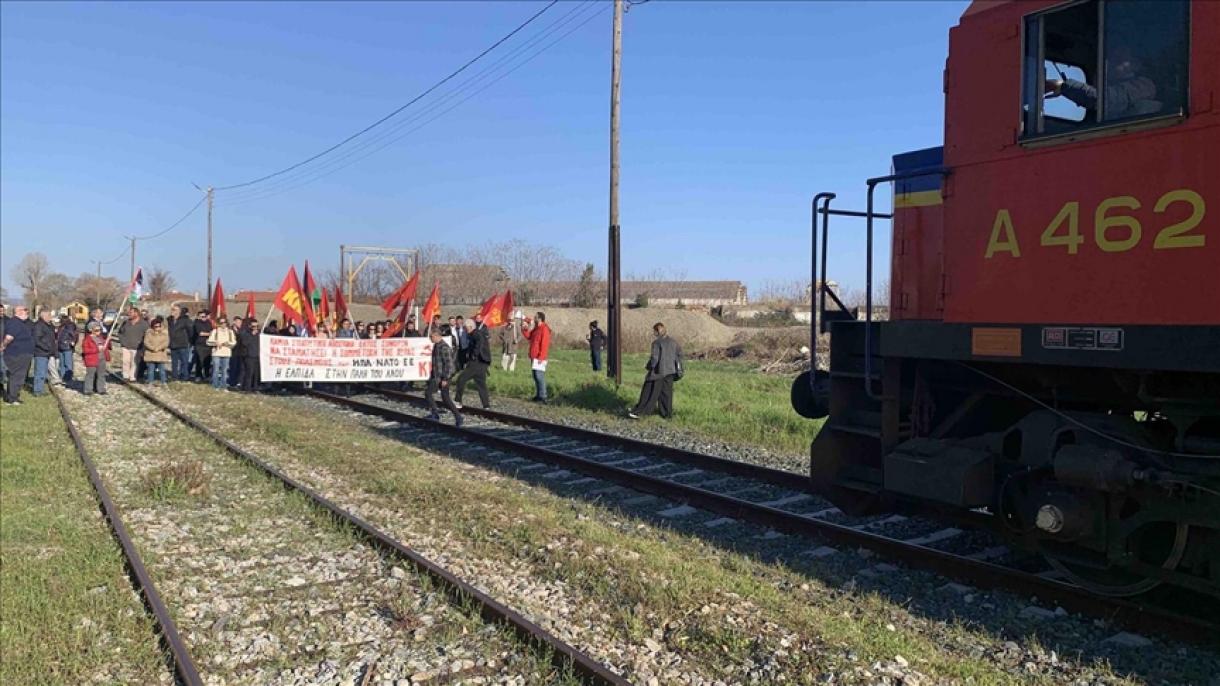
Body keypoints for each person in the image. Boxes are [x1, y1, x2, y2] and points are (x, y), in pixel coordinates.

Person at [1046, 45, 1158, 120]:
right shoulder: (1109, 83)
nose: (1111, 63)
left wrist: (1062, 86)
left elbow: (1106, 100)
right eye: (1111, 58)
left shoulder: (1144, 86)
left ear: (1136, 64)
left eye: (1120, 59)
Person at [628, 323, 683, 420]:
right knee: (666, 394)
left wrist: (649, 367)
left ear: (658, 331)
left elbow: (654, 359)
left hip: (658, 372)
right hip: (670, 372)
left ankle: (640, 412)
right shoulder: (674, 342)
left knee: (648, 392)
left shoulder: (656, 343)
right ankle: (666, 414)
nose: (653, 333)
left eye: (654, 331)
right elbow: (679, 355)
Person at [425, 325, 462, 426]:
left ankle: (435, 414)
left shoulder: (444, 347)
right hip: (437, 377)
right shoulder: (436, 346)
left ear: (437, 336)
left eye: (431, 337)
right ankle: (458, 417)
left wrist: (445, 378)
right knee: (445, 399)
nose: (430, 338)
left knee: (429, 393)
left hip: (442, 377)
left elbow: (449, 365)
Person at [454, 314, 492, 410]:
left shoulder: (475, 334)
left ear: (470, 327)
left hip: (476, 363)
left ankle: (458, 401)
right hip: (482, 363)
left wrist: (474, 355)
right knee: (481, 383)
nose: (465, 330)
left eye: (466, 328)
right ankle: (486, 405)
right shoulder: (476, 334)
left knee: (461, 379)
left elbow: (479, 344)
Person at [1, 305, 35, 405]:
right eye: (26, 311)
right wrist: (3, 346)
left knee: (16, 376)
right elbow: (9, 337)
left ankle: (11, 397)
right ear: (19, 312)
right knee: (18, 376)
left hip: (21, 353)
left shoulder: (19, 323)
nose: (27, 313)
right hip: (18, 354)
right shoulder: (14, 323)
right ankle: (13, 398)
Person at [521, 311, 552, 403]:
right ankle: (538, 395)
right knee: (535, 376)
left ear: (539, 318)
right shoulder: (536, 328)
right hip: (533, 355)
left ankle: (543, 396)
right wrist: (524, 329)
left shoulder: (544, 329)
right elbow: (529, 336)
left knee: (539, 376)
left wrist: (541, 357)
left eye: (535, 317)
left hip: (539, 357)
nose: (534, 318)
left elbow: (544, 344)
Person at [117, 307, 149, 382]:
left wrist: (143, 344)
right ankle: (125, 376)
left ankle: (133, 377)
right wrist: (122, 341)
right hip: (126, 346)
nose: (129, 314)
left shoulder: (144, 324)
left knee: (134, 362)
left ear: (136, 313)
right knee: (125, 361)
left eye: (131, 312)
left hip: (137, 347)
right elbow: (120, 333)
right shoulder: (126, 322)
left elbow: (148, 335)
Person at [206, 316, 236, 390]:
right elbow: (208, 342)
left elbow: (234, 342)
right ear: (218, 323)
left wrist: (227, 343)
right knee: (216, 369)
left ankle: (224, 385)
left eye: (224, 322)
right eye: (221, 323)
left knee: (224, 370)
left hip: (226, 353)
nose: (223, 324)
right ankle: (215, 385)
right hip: (216, 353)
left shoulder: (230, 332)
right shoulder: (215, 331)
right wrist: (215, 343)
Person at [31, 309, 56, 395]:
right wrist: (47, 348)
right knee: (40, 372)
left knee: (43, 372)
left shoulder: (48, 325)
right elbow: (37, 340)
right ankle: (37, 391)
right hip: (41, 352)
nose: (51, 317)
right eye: (49, 315)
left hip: (46, 352)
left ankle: (40, 389)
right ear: (43, 316)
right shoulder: (39, 325)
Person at [80, 321, 109, 395]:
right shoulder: (87, 339)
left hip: (102, 359)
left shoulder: (100, 338)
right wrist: (97, 349)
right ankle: (88, 390)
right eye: (96, 330)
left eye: (100, 330)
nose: (99, 332)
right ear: (91, 330)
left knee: (101, 374)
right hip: (91, 359)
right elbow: (86, 350)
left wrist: (108, 341)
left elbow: (106, 347)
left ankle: (101, 389)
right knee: (90, 375)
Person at [168, 305, 194, 382]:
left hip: (183, 344)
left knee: (184, 362)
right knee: (174, 362)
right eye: (172, 309)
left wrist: (189, 341)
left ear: (179, 311)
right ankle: (174, 377)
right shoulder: (170, 320)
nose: (173, 311)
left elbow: (191, 331)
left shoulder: (185, 320)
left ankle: (184, 377)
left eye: (175, 309)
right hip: (173, 344)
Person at [142, 317, 170, 386]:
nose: (157, 327)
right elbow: (146, 342)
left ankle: (163, 382)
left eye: (159, 326)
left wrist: (158, 348)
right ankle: (150, 382)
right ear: (152, 326)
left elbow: (166, 342)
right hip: (151, 354)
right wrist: (153, 348)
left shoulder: (164, 333)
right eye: (156, 326)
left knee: (162, 370)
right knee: (150, 370)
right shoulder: (148, 333)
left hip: (160, 354)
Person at [238, 319, 261, 392]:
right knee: (249, 373)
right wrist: (252, 335)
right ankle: (247, 388)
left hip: (257, 356)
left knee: (256, 374)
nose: (255, 328)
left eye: (257, 326)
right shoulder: (245, 333)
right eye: (254, 326)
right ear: (250, 326)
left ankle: (255, 388)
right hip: (249, 356)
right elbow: (244, 343)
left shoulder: (259, 333)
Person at [191, 311, 213, 382]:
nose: (204, 318)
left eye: (205, 316)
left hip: (208, 345)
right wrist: (210, 334)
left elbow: (212, 331)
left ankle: (207, 375)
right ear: (198, 317)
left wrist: (210, 334)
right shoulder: (196, 323)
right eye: (202, 316)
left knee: (207, 361)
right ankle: (198, 375)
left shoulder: (209, 323)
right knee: (200, 361)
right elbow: (201, 333)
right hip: (200, 345)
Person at [56, 314, 78, 384]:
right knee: (62, 363)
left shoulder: (70, 326)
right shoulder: (61, 326)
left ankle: (68, 378)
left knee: (67, 364)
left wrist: (72, 342)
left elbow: (75, 335)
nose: (60, 320)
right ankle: (63, 377)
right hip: (60, 346)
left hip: (67, 347)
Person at [229, 316, 245, 387]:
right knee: (233, 367)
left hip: (240, 351)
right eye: (238, 322)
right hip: (233, 351)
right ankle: (232, 382)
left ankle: (237, 381)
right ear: (234, 322)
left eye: (240, 322)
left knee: (239, 368)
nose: (239, 324)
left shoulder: (242, 330)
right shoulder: (230, 330)